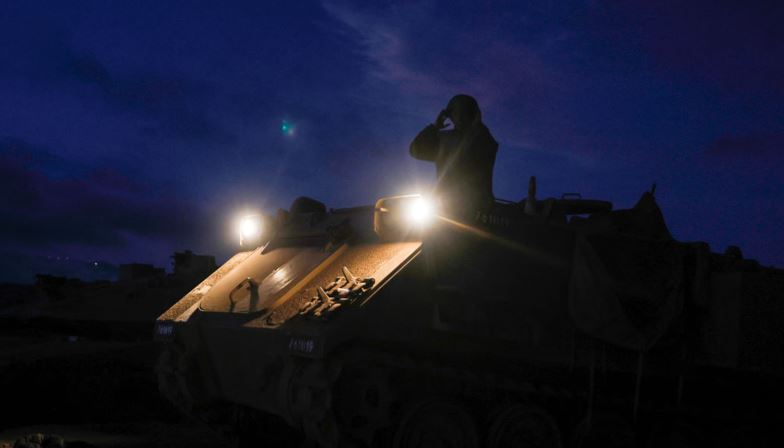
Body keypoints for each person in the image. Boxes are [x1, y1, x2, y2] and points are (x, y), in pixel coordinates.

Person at [409, 94, 498, 215]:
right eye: (456, 113)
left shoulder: (482, 138)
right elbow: (416, 150)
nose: (460, 117)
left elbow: (487, 148)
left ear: (472, 114)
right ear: (450, 116)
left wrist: (478, 126)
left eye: (464, 112)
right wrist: (434, 127)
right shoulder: (444, 139)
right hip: (446, 208)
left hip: (477, 210)